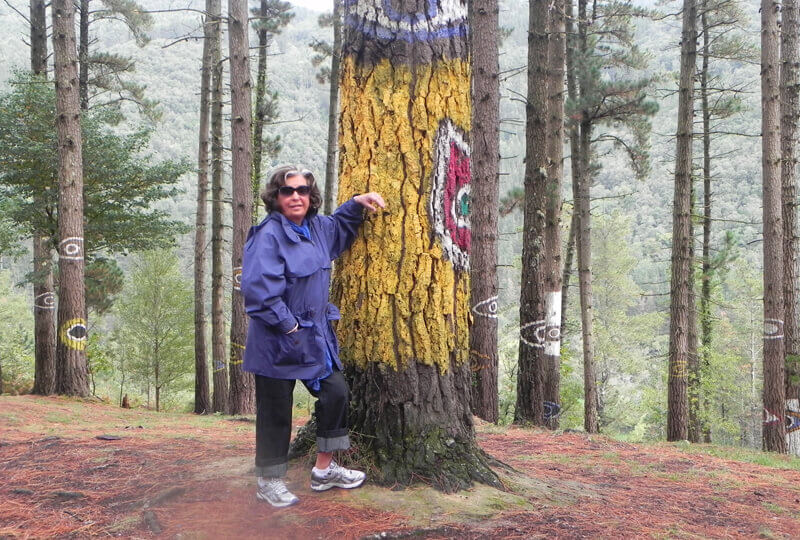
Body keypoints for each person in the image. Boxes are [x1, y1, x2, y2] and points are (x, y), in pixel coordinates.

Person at [241, 164, 386, 507]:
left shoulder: (318, 228)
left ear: (311, 195)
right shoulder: (267, 235)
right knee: (276, 412)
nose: (295, 197)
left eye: (302, 190)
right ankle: (269, 481)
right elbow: (259, 293)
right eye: (288, 191)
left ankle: (324, 470)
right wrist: (289, 326)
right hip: (277, 340)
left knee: (336, 392)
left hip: (315, 337)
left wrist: (355, 203)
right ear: (275, 197)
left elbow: (340, 228)